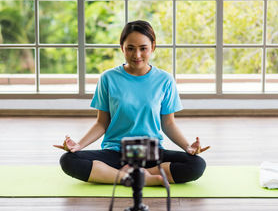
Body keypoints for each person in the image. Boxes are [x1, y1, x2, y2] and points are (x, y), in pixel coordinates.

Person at [54, 20, 210, 186]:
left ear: (153, 47)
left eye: (143, 48)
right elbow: (102, 123)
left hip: (150, 152)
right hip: (116, 153)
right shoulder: (108, 78)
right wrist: (78, 145)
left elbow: (168, 123)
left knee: (196, 164)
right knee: (68, 160)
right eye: (130, 48)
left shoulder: (165, 80)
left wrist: (188, 147)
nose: (137, 55)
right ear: (122, 47)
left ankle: (125, 175)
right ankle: (131, 177)